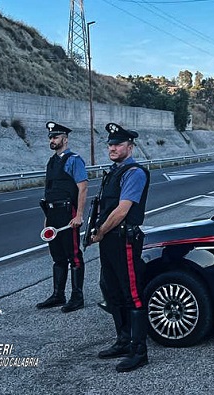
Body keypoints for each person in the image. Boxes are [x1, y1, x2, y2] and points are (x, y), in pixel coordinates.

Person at [90, 122, 150, 372]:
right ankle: (124, 340)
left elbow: (123, 209)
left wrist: (101, 231)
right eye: (110, 144)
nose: (112, 148)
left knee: (131, 294)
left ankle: (139, 351)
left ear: (130, 146)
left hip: (123, 240)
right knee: (111, 290)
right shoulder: (114, 171)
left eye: (118, 144)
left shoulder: (133, 172)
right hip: (109, 241)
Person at [36, 121, 88, 313]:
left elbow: (82, 188)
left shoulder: (74, 160)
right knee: (57, 257)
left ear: (65, 139)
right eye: (50, 137)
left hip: (68, 213)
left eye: (55, 137)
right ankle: (58, 294)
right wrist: (47, 218)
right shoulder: (51, 161)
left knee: (73, 255)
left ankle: (77, 297)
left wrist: (80, 214)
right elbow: (48, 190)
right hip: (53, 214)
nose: (52, 140)